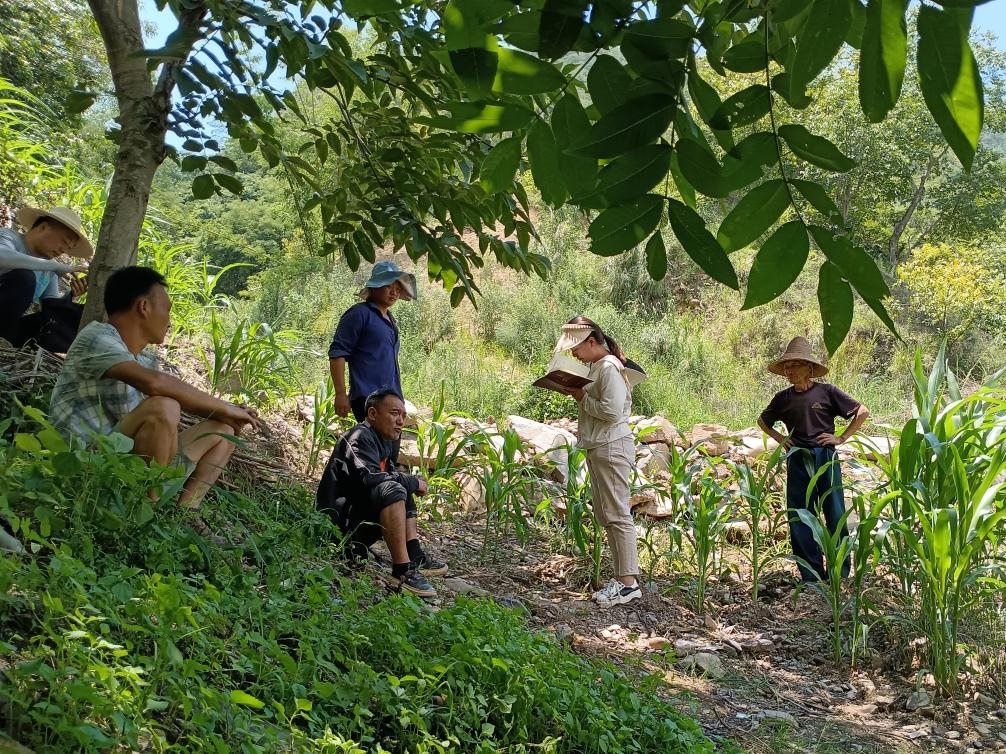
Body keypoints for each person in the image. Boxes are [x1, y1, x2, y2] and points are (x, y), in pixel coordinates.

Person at [48, 266, 260, 533]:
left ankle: (182, 515)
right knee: (163, 405)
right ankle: (143, 521)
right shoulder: (97, 337)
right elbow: (156, 386)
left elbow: (164, 405)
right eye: (167, 309)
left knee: (224, 430)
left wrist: (227, 413)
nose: (169, 319)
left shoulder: (146, 359)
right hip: (85, 466)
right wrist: (224, 405)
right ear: (144, 306)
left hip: (124, 464)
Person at [757, 337, 870, 583]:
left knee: (835, 511)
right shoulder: (782, 398)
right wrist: (780, 438)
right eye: (787, 366)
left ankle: (838, 573)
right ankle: (811, 576)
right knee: (800, 514)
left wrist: (841, 438)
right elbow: (763, 421)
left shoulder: (827, 392)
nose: (790, 371)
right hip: (797, 458)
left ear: (808, 368)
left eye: (795, 365)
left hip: (825, 457)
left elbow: (862, 411)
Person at [316, 389, 447, 597]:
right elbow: (371, 477)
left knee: (401, 486)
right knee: (394, 488)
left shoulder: (382, 441)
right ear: (372, 414)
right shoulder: (360, 437)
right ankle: (402, 572)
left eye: (403, 416)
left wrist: (410, 483)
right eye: (395, 413)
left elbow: (390, 475)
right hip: (337, 527)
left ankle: (414, 555)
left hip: (357, 521)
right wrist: (413, 481)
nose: (400, 421)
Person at [553, 316, 646, 607]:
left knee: (617, 512)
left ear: (592, 342)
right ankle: (622, 579)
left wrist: (581, 396)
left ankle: (628, 584)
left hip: (611, 445)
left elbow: (612, 410)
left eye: (576, 348)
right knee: (608, 512)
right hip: (601, 445)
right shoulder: (598, 367)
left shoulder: (607, 367)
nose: (574, 354)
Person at [328, 260, 417, 422]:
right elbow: (337, 353)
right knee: (370, 446)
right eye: (388, 286)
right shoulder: (359, 314)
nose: (394, 293)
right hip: (368, 399)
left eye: (398, 289)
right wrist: (340, 393)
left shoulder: (391, 321)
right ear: (375, 287)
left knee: (389, 447)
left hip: (392, 398)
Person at [0, 205, 91, 347]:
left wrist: (71, 294)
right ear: (43, 227)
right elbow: (2, 256)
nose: (63, 250)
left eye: (68, 248)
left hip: (8, 327)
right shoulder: (8, 236)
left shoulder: (49, 268)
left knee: (72, 317)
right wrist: (54, 266)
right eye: (64, 242)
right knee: (24, 277)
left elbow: (51, 308)